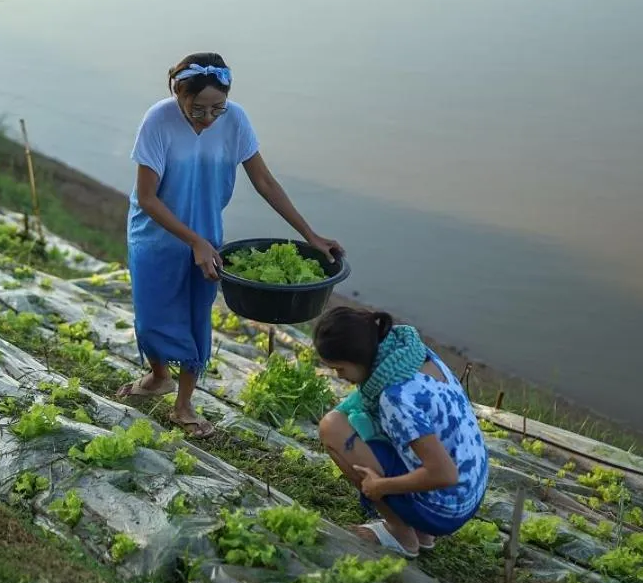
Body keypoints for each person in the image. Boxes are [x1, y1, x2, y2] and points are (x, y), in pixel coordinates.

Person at [118, 52, 342, 437]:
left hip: (206, 234)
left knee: (195, 317)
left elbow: (266, 182)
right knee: (152, 316)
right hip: (156, 235)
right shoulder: (158, 120)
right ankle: (158, 376)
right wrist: (193, 242)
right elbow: (149, 198)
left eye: (216, 108)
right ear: (178, 93)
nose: (207, 118)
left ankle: (184, 405)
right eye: (197, 108)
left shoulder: (235, 119)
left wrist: (311, 235)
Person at [313, 306, 489, 557]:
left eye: (340, 369)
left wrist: (381, 486)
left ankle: (401, 533)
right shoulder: (412, 354)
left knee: (332, 428)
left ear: (359, 358)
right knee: (347, 418)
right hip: (471, 488)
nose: (339, 376)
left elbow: (444, 474)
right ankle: (422, 533)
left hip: (447, 506)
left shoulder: (394, 397)